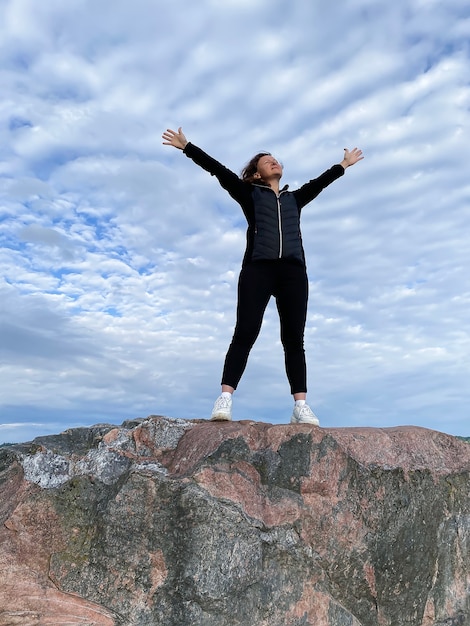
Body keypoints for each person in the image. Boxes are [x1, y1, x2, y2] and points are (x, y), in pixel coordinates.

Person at [162, 127, 363, 424]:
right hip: (258, 269)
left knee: (294, 339)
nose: (274, 162)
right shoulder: (249, 194)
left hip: (293, 273)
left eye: (276, 159)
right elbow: (219, 170)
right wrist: (187, 147)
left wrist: (343, 165)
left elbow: (321, 183)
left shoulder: (295, 198)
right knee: (245, 332)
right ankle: (225, 399)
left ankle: (300, 406)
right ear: (256, 174)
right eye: (267, 160)